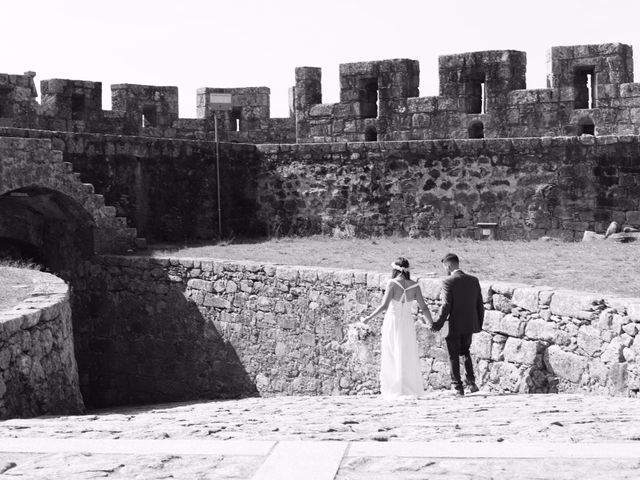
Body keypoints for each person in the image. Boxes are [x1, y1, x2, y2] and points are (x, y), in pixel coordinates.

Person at [361, 257, 433, 398]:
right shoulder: (415, 285)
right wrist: (431, 322)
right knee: (407, 353)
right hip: (407, 322)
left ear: (395, 269)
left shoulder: (392, 283)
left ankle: (394, 387)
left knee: (392, 352)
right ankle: (408, 386)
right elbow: (424, 307)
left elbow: (384, 306)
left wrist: (369, 317)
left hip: (392, 322)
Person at [431, 253, 484, 397]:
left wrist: (437, 324)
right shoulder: (474, 280)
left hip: (454, 323)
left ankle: (458, 387)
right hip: (470, 323)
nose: (445, 270)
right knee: (465, 352)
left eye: (445, 267)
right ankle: (472, 382)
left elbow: (446, 305)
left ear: (448, 265)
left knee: (453, 355)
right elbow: (480, 303)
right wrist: (479, 323)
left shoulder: (448, 282)